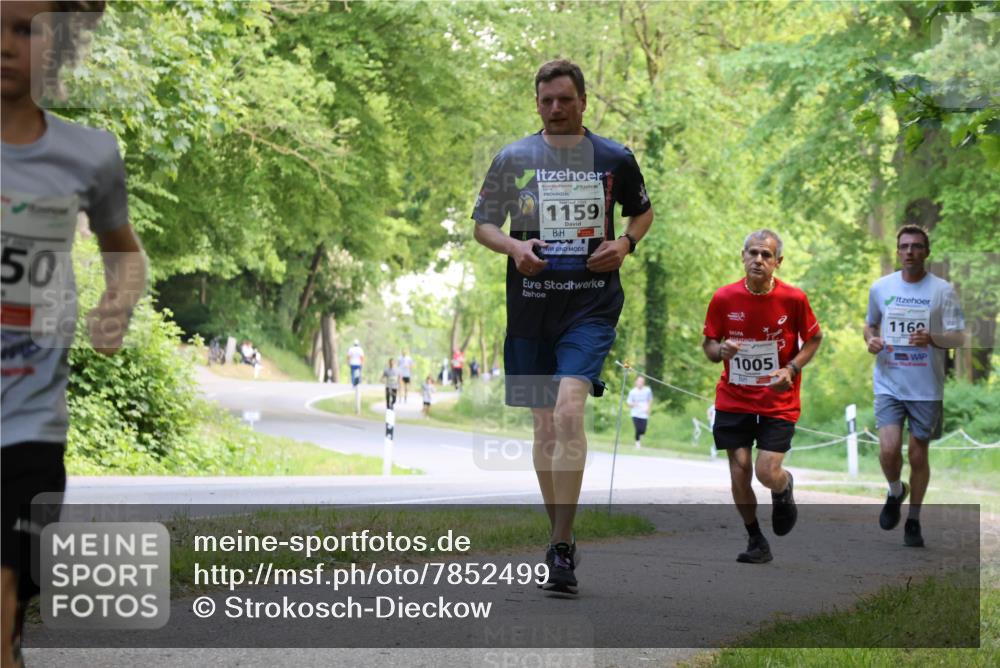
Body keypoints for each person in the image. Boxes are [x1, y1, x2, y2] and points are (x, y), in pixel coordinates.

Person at [472, 59, 653, 594]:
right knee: (544, 428)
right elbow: (483, 225)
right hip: (531, 308)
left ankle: (560, 545)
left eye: (565, 100)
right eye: (546, 100)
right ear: (537, 103)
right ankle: (561, 536)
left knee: (568, 411)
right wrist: (514, 247)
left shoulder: (614, 158)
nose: (555, 109)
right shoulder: (514, 158)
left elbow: (642, 212)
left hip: (590, 307)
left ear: (583, 102)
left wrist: (625, 243)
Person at [2, 4, 147, 665]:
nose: (5, 45)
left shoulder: (89, 154)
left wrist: (117, 302)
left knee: (3, 592)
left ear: (58, 43)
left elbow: (125, 253)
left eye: (25, 29)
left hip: (28, 421)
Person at [702, 229, 822, 564]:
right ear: (742, 256)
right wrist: (719, 350)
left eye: (766, 255)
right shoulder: (724, 298)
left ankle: (783, 488)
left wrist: (792, 368)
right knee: (739, 470)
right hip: (734, 398)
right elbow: (709, 344)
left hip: (777, 400)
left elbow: (814, 338)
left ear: (778, 262)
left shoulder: (793, 299)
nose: (758, 260)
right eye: (752, 253)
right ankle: (756, 538)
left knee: (766, 471)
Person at [864, 224, 965, 548]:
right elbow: (870, 325)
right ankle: (896, 491)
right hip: (889, 382)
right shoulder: (881, 287)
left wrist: (933, 338)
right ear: (898, 251)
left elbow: (959, 337)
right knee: (888, 449)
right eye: (905, 246)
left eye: (917, 246)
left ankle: (914, 519)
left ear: (926, 252)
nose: (910, 251)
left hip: (926, 387)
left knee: (918, 455)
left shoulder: (943, 290)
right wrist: (871, 340)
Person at [627, 375, 653, 448]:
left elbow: (650, 400)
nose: (640, 383)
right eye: (639, 381)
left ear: (643, 383)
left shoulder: (647, 390)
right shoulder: (632, 392)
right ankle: (637, 442)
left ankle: (641, 435)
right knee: (638, 429)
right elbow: (629, 403)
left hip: (644, 413)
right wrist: (634, 404)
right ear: (636, 382)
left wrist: (648, 408)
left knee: (643, 430)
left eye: (642, 382)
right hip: (635, 413)